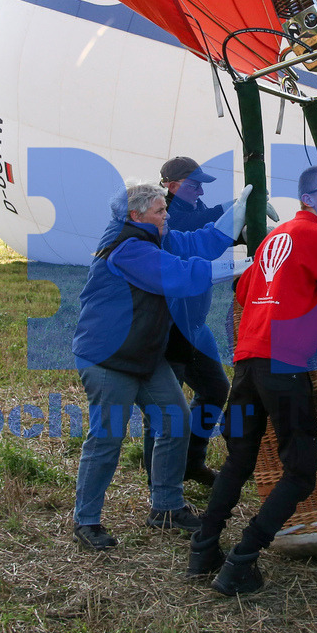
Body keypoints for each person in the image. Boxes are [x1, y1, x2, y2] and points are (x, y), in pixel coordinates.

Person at [188, 164, 317, 596]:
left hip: (247, 362)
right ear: (309, 199)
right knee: (301, 472)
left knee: (238, 461)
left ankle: (203, 548)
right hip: (284, 364)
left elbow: (244, 290)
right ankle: (242, 560)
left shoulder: (274, 236)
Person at [70, 181, 251, 549]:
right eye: (160, 211)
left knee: (175, 420)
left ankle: (165, 507)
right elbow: (179, 275)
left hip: (143, 353)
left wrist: (234, 215)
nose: (167, 216)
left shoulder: (151, 235)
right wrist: (235, 267)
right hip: (108, 357)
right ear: (137, 215)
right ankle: (86, 520)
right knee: (107, 438)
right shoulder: (128, 249)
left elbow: (192, 244)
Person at [140, 157, 229, 488]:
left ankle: (191, 461)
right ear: (172, 186)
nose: (201, 190)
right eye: (195, 184)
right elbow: (195, 229)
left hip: (195, 323)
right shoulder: (164, 216)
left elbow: (208, 235)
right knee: (166, 408)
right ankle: (158, 483)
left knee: (215, 387)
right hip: (172, 327)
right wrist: (229, 211)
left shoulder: (195, 206)